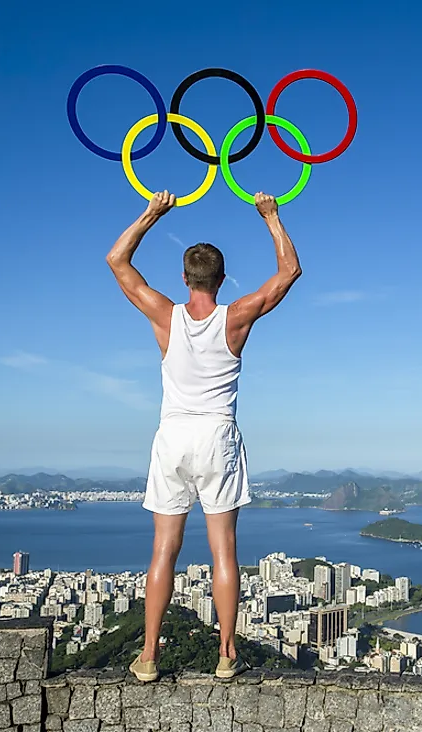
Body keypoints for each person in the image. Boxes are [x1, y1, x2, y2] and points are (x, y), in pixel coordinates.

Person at [105, 189, 302, 681]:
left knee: (163, 551)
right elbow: (289, 272)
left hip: (172, 437)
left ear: (184, 278)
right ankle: (227, 655)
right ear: (221, 278)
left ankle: (148, 656)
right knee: (224, 551)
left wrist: (153, 212)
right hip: (218, 437)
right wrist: (272, 217)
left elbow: (117, 259)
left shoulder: (164, 316)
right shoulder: (235, 318)